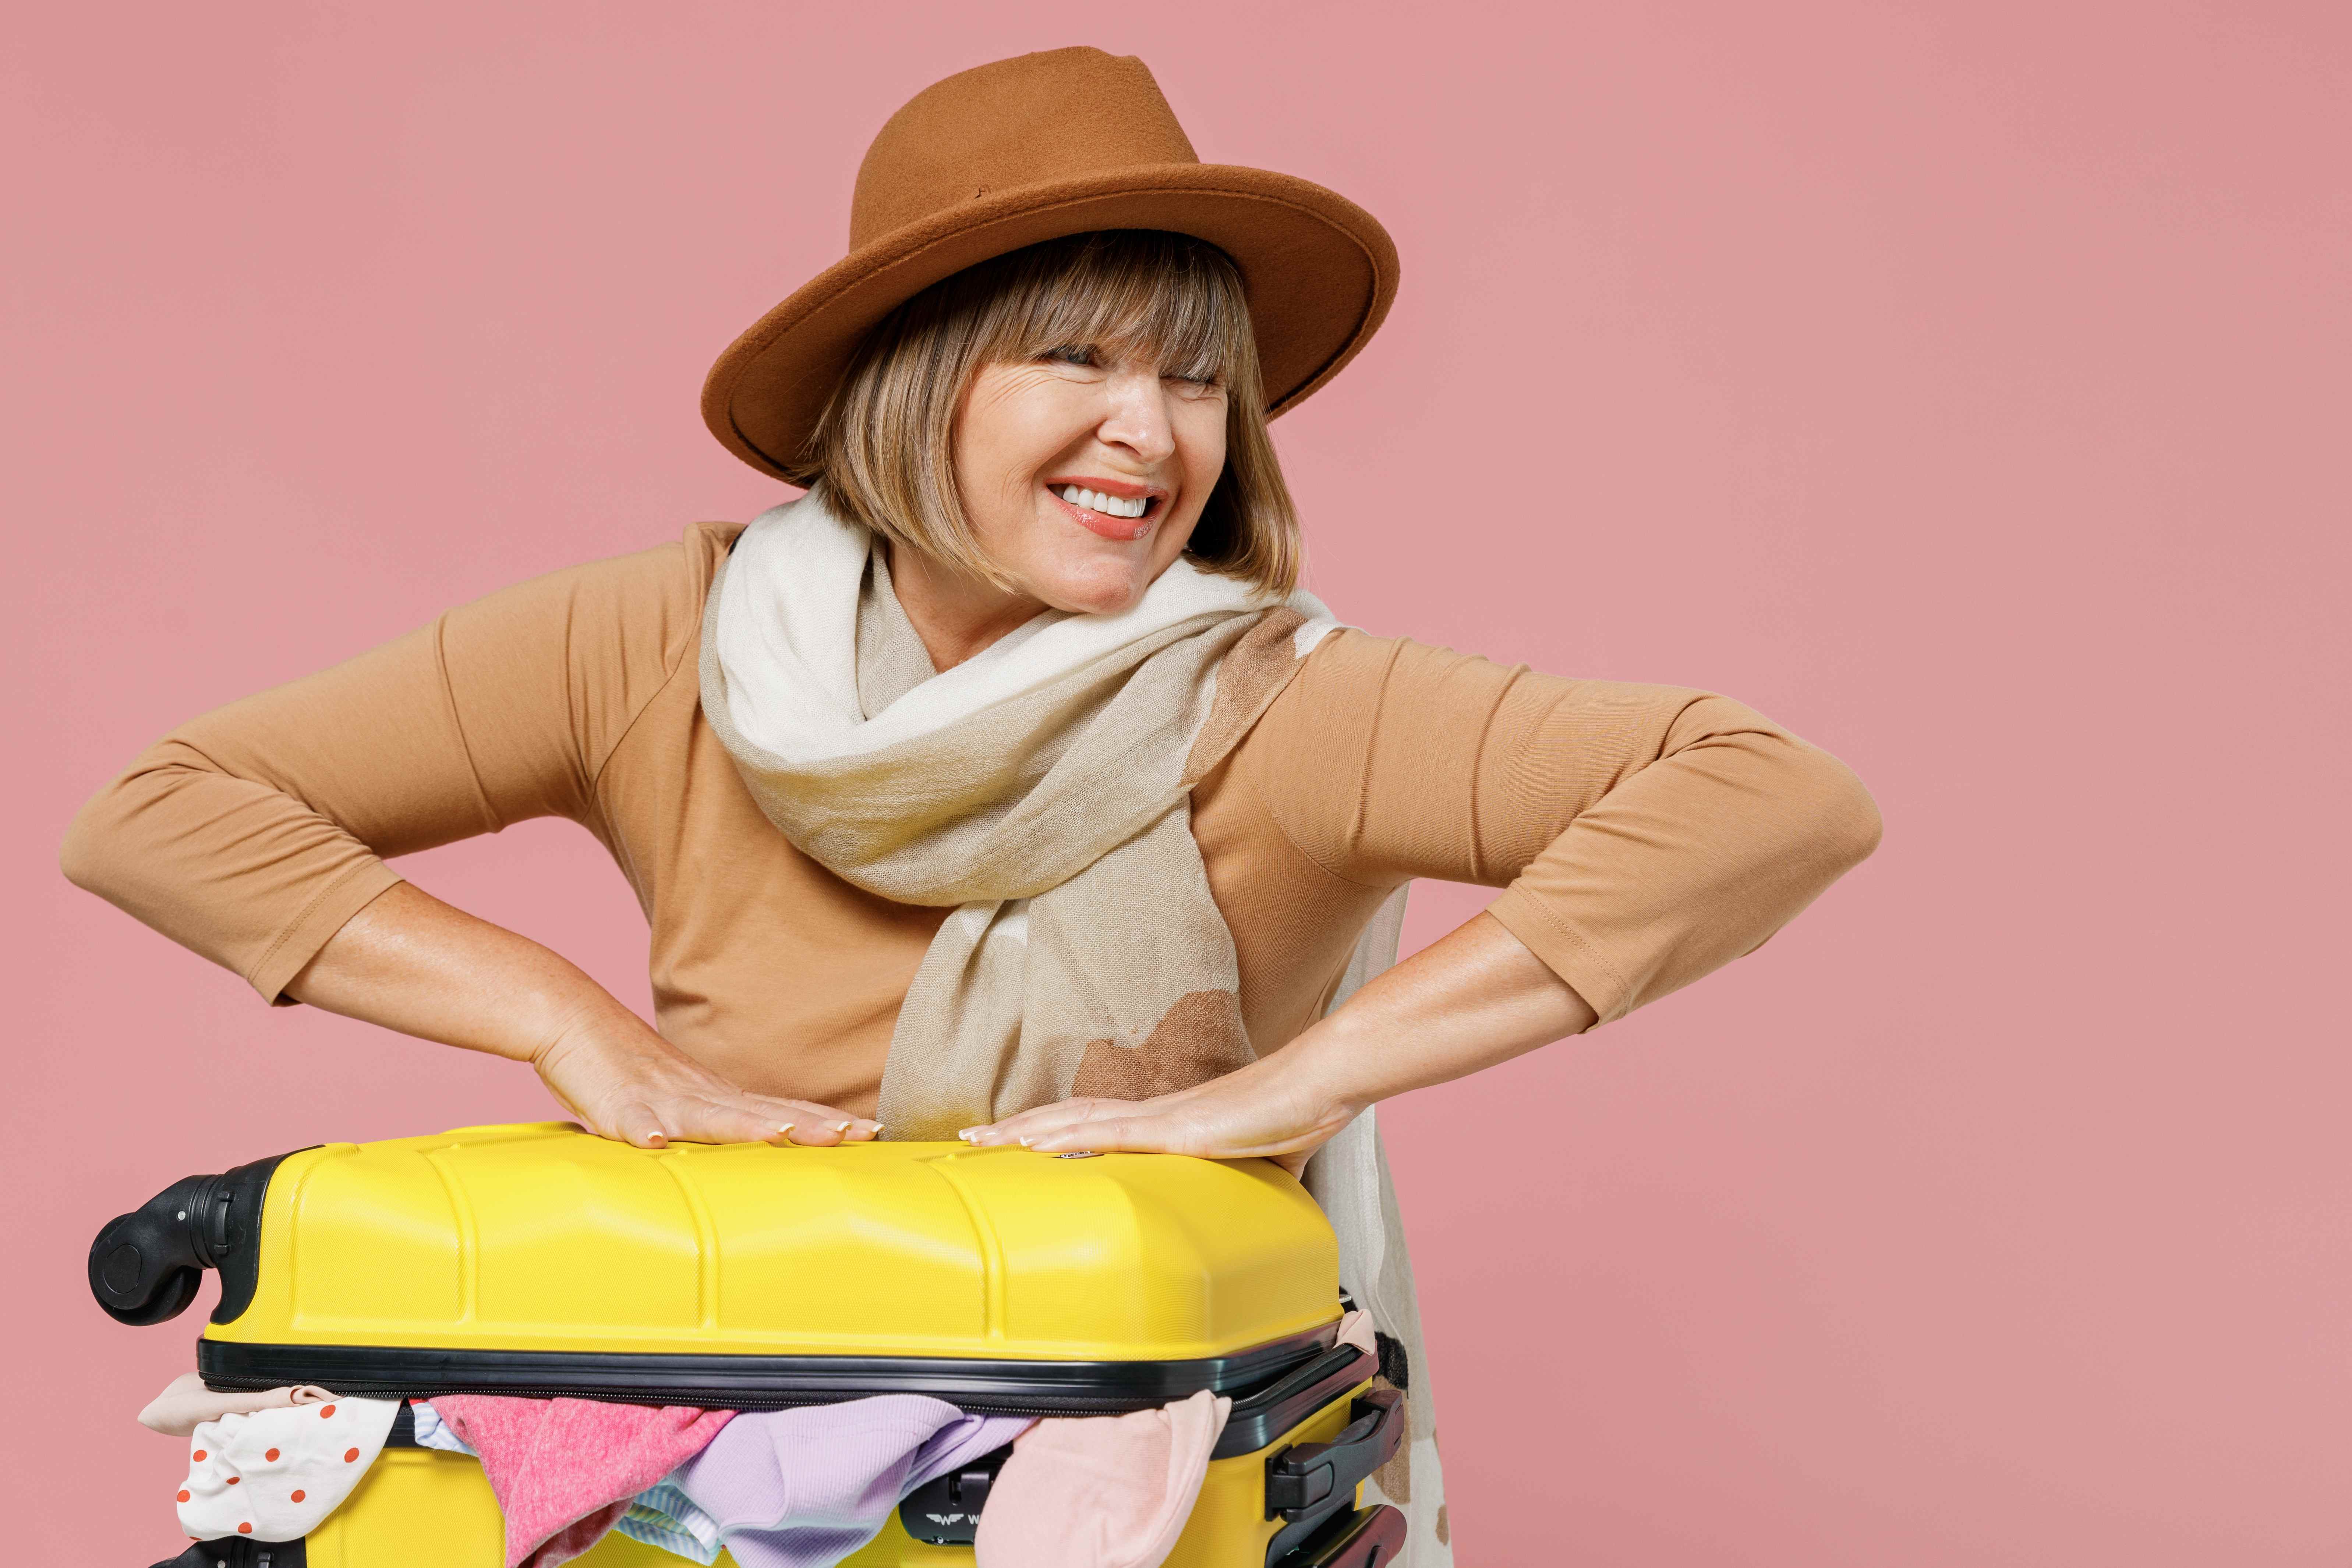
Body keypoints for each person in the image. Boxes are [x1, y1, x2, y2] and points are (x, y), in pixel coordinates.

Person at [60, 47, 1881, 1565]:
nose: (1153, 438)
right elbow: (169, 809)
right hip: (682, 1440)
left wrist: (1289, 1087)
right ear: (917, 379)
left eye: (1194, 378)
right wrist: (570, 1027)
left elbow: (1763, 798)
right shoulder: (660, 639)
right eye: (1077, 358)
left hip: (1120, 1458)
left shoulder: (1283, 705)